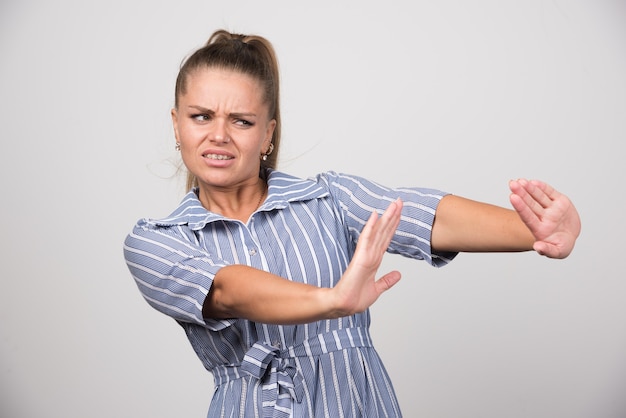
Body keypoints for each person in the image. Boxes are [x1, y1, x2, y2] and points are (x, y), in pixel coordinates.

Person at [123, 29, 581, 418]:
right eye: (201, 116)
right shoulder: (155, 242)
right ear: (177, 124)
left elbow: (422, 214)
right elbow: (226, 290)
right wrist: (334, 300)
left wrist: (535, 230)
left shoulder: (330, 199)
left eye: (241, 121)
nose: (218, 135)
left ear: (267, 133)